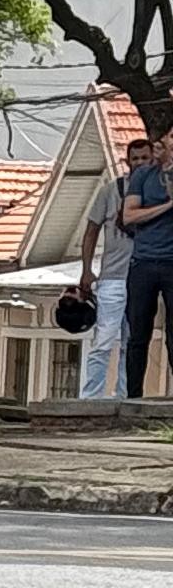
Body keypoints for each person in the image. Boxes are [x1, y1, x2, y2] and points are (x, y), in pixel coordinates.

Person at [72, 139, 135, 398]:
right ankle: (91, 397)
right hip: (112, 278)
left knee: (132, 344)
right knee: (104, 341)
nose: (141, 163)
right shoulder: (110, 191)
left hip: (142, 279)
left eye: (146, 158)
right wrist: (87, 269)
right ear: (128, 161)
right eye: (137, 158)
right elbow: (90, 232)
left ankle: (126, 396)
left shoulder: (158, 192)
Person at [119, 126, 173, 398]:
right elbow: (129, 216)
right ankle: (133, 395)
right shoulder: (143, 176)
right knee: (138, 332)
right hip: (144, 261)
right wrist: (166, 206)